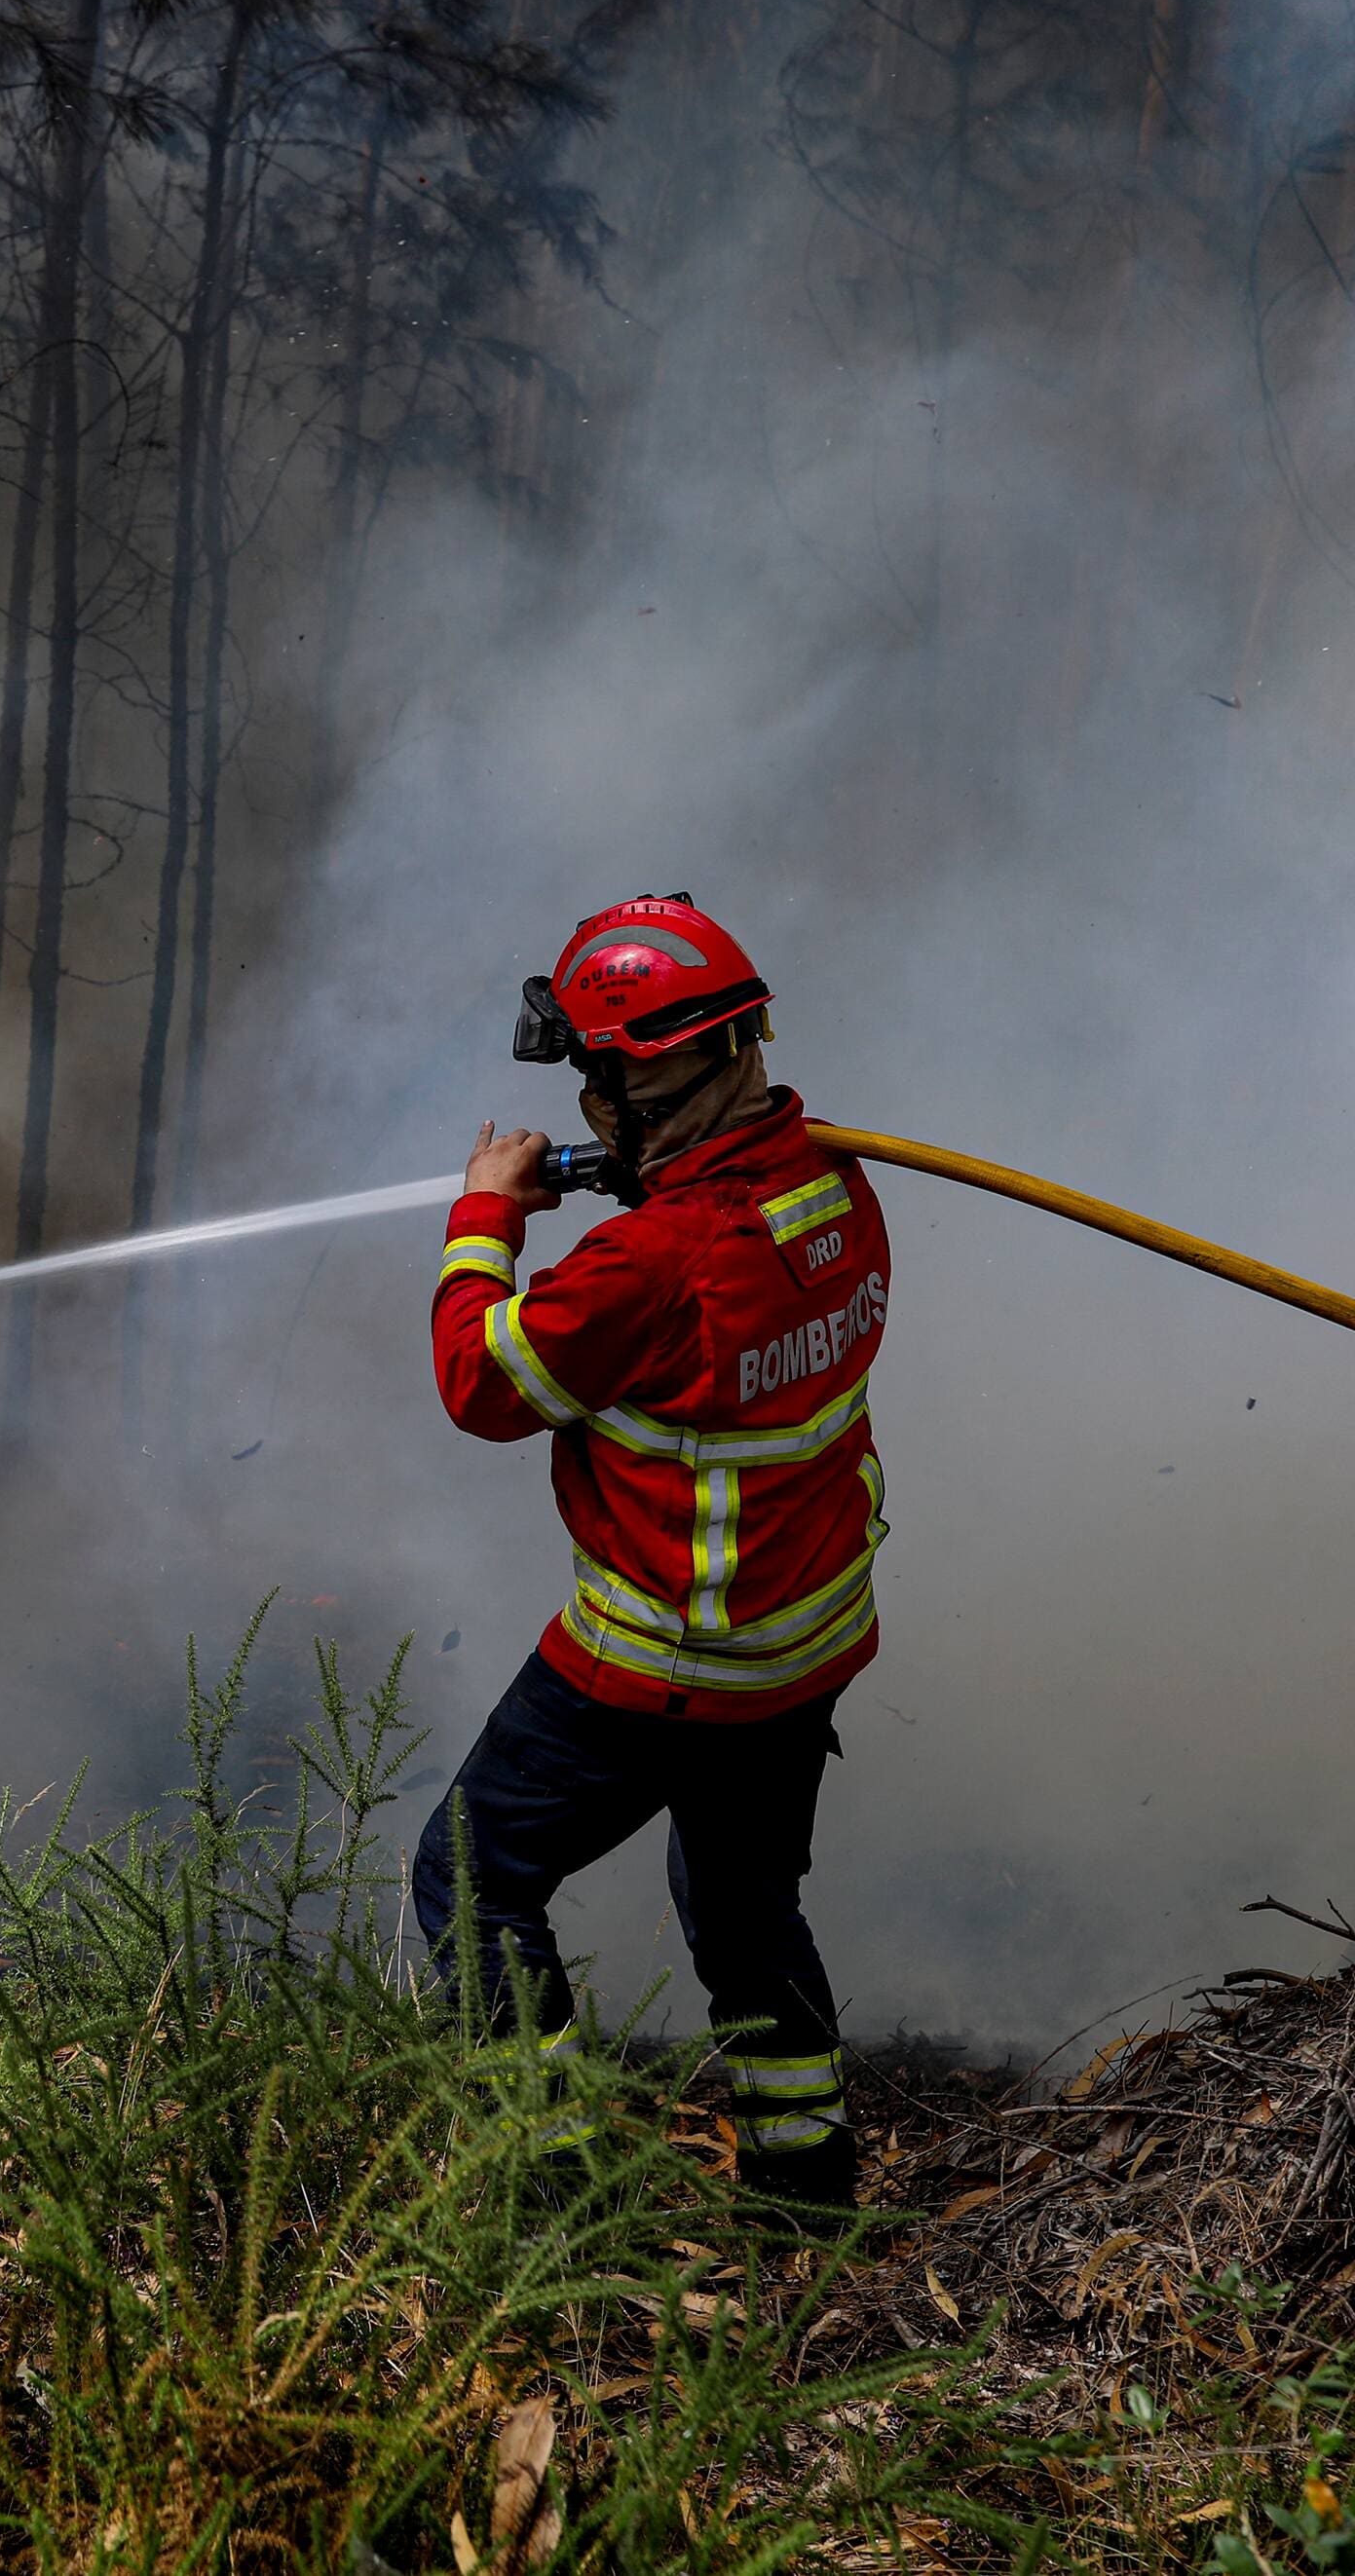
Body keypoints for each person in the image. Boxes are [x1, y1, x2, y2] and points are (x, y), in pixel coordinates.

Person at [411, 893, 890, 2214]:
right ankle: (803, 2198)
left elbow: (482, 1384)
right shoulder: (836, 1193)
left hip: (667, 1658)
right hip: (803, 1646)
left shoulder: (649, 1261)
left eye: (593, 1077)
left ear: (645, 1075)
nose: (583, 1107)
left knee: (470, 1873)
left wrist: (484, 1222)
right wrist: (646, 1186)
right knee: (745, 1918)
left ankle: (548, 2189)